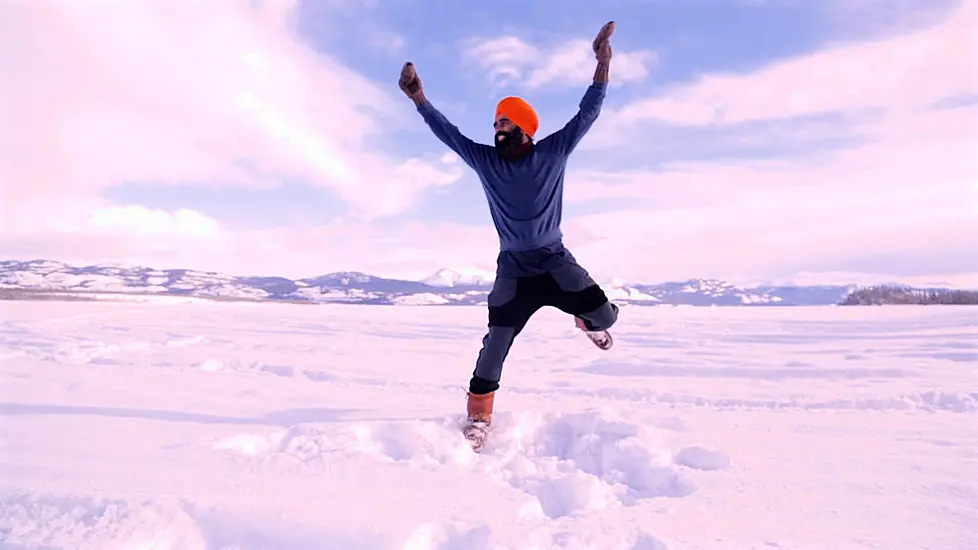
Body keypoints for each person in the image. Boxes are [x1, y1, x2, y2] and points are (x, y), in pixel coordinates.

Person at [399, 21, 620, 448]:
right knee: (495, 343)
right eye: (496, 121)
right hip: (514, 270)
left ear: (524, 127)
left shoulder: (553, 151)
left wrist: (602, 62)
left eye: (505, 121)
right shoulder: (486, 161)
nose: (497, 127)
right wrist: (419, 98)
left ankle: (585, 320)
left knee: (606, 316)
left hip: (555, 262)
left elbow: (588, 113)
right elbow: (449, 134)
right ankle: (479, 418)